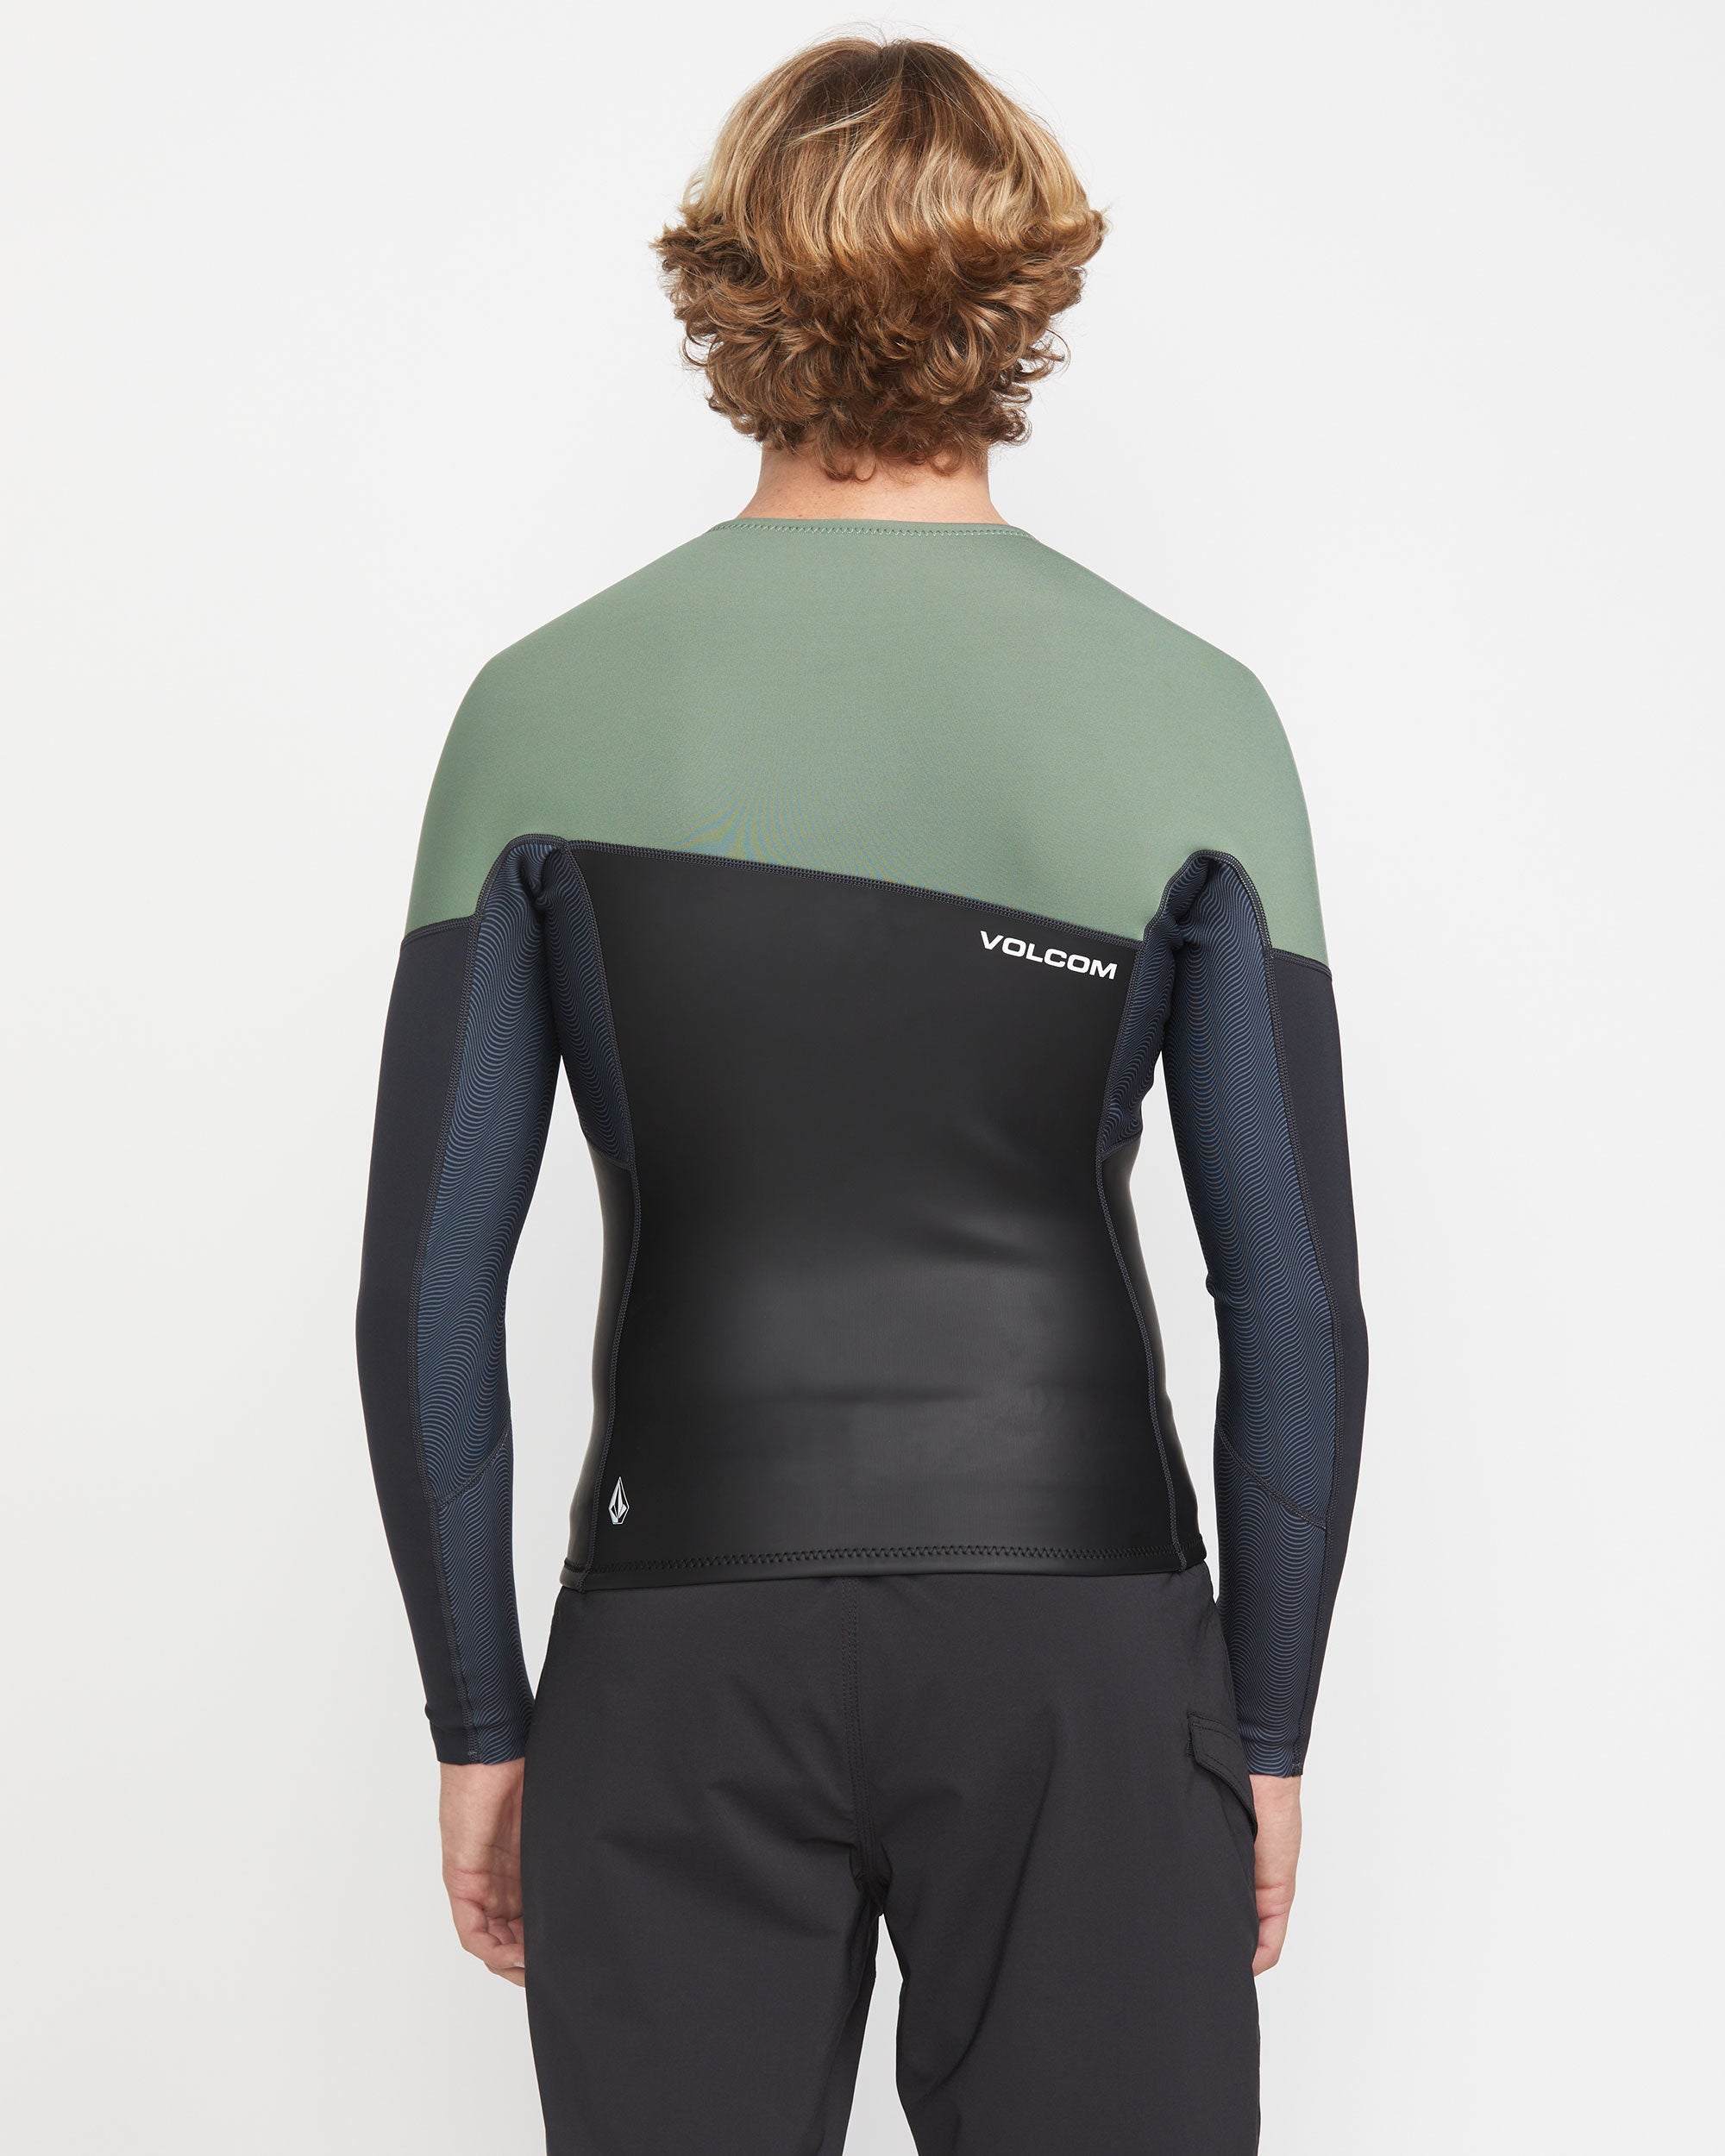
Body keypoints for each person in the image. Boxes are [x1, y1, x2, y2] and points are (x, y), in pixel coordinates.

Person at [357, 34, 1366, 2156]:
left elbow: (427, 1285)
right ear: (1025, 284)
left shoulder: (537, 707)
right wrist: (1263, 1725)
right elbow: (1291, 1303)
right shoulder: (1197, 713)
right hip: (1084, 1659)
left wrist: (478, 1717)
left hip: (676, 1656)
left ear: (728, 281)